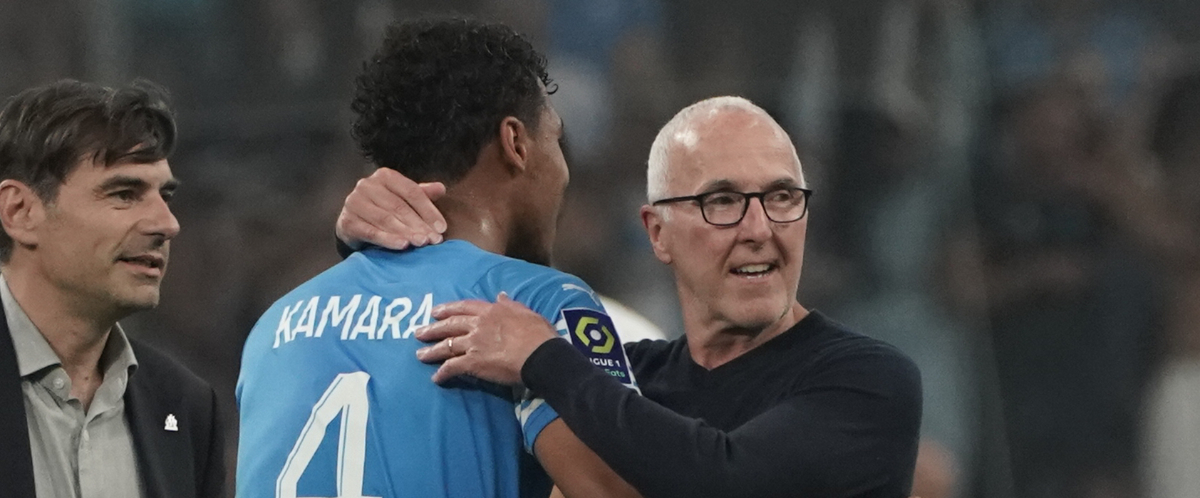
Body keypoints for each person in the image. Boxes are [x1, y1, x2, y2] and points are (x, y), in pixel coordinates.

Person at [341, 96, 923, 497]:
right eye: (722, 202)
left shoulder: (868, 381)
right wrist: (376, 250)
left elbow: (727, 482)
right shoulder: (627, 378)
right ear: (657, 233)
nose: (759, 228)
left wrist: (545, 359)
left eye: (782, 197)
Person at [236, 18, 638, 498]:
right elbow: (622, 490)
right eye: (555, 138)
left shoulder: (273, 327)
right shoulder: (534, 305)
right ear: (516, 143)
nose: (565, 173)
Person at [0, 80, 225, 497]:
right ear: (20, 211)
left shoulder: (186, 405)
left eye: (165, 195)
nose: (167, 224)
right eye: (124, 194)